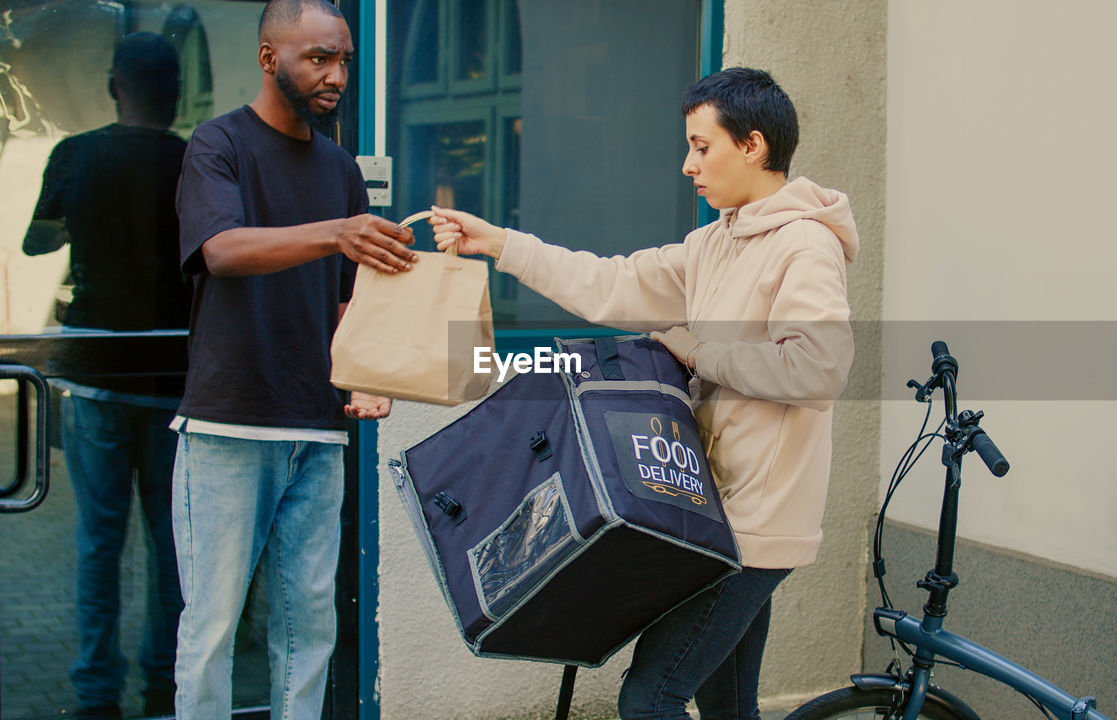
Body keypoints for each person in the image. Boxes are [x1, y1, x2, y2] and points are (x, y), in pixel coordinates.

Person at [432, 67, 858, 720]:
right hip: (719, 513)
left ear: (753, 146)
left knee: (649, 699)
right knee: (730, 705)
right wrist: (500, 244)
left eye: (701, 146)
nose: (689, 165)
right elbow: (611, 284)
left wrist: (700, 351)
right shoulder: (714, 243)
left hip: (757, 526)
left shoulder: (805, 247)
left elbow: (820, 368)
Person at [169, 0, 417, 717]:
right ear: (269, 57)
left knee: (308, 628)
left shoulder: (339, 167)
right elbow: (221, 250)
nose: (336, 75)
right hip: (229, 428)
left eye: (343, 59)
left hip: (315, 430)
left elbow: (346, 304)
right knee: (211, 628)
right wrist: (338, 231)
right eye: (319, 59)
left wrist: (369, 375)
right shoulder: (217, 146)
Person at [23, 31, 190, 719]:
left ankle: (96, 694)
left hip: (94, 375)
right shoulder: (194, 160)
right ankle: (163, 684)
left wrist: (81, 225)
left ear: (115, 85)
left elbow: (38, 238)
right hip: (173, 377)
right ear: (174, 91)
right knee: (170, 547)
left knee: (99, 543)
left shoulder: (76, 153)